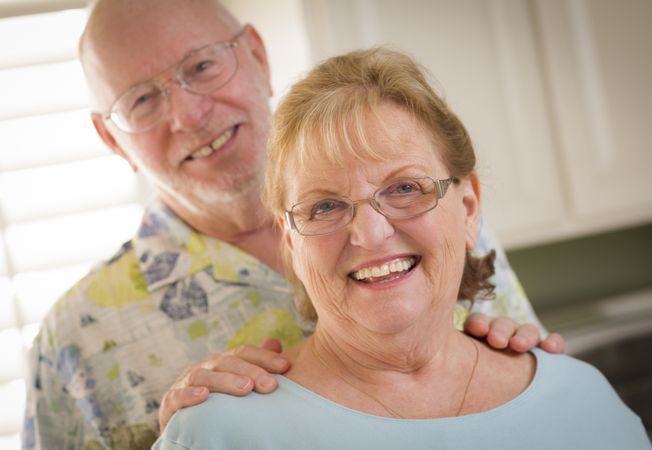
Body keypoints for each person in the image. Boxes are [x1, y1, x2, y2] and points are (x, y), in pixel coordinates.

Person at [22, 1, 562, 449]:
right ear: (113, 139)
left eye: (203, 67)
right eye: (142, 100)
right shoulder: (75, 341)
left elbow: (527, 391)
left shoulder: (423, 208)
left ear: (257, 55)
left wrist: (516, 359)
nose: (188, 114)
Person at [154, 47, 651, 450]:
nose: (369, 235)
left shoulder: (581, 400)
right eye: (324, 207)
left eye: (405, 189)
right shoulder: (217, 434)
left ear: (469, 207)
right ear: (291, 241)